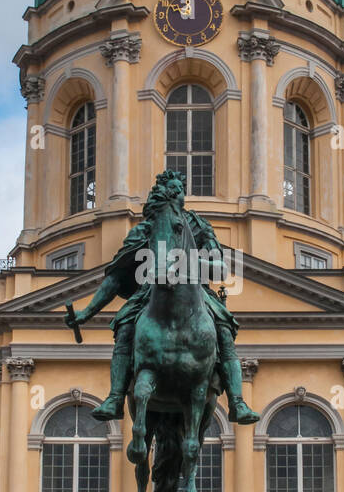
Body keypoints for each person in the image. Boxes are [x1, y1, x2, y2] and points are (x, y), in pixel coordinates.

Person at [68, 171, 258, 426]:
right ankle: (115, 397)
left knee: (224, 329)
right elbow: (116, 276)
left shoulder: (199, 226)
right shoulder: (144, 230)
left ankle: (237, 401)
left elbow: (220, 268)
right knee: (124, 324)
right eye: (171, 190)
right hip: (149, 292)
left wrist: (188, 263)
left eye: (179, 189)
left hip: (197, 292)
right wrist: (86, 312)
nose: (177, 194)